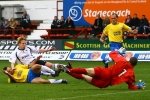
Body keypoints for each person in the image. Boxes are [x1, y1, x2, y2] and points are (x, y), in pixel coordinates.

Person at [64, 51, 146, 90]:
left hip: (106, 73)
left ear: (128, 60)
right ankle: (68, 71)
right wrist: (138, 87)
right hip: (105, 83)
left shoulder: (123, 61)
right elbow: (131, 87)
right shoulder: (131, 75)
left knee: (86, 71)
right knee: (83, 76)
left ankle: (69, 70)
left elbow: (112, 54)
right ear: (136, 64)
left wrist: (119, 52)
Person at [3, 56, 67, 84]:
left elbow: (30, 66)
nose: (10, 71)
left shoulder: (18, 66)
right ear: (6, 73)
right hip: (29, 79)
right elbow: (13, 80)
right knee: (43, 82)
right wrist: (8, 74)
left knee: (36, 66)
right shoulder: (10, 79)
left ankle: (53, 72)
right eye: (8, 71)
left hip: (31, 71)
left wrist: (36, 59)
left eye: (9, 69)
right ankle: (60, 81)